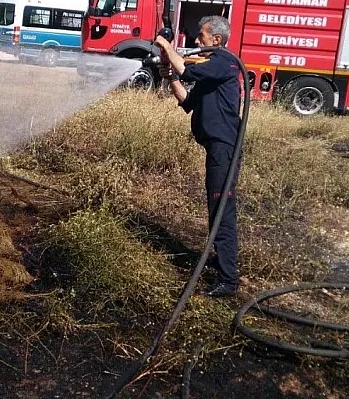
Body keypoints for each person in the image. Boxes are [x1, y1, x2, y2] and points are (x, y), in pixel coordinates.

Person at [154, 15, 242, 297]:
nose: (196, 41)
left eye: (201, 36)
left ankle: (228, 280)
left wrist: (167, 46)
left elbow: (187, 71)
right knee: (215, 209)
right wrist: (169, 76)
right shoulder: (212, 73)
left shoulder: (225, 62)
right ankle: (221, 260)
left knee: (221, 214)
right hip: (215, 149)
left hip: (224, 149)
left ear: (216, 40)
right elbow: (188, 102)